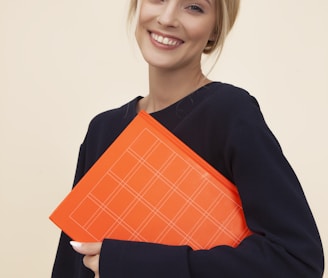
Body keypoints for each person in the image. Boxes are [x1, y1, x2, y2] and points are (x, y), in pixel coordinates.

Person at [51, 0, 324, 277]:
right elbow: (71, 265)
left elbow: (297, 260)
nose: (167, 18)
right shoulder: (103, 130)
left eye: (194, 7)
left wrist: (134, 265)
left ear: (216, 29)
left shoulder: (229, 113)